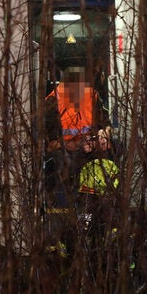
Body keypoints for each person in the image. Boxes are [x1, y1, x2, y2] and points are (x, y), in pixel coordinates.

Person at [42, 65, 113, 208]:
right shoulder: (52, 103)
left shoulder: (92, 97)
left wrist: (102, 136)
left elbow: (107, 124)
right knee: (60, 164)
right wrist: (74, 145)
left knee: (107, 161)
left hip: (90, 150)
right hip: (64, 154)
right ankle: (64, 210)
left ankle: (100, 208)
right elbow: (48, 145)